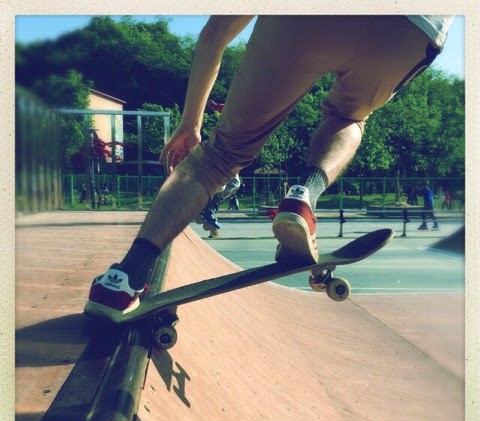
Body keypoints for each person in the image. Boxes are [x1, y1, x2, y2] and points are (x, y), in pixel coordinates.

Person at [85, 15, 453, 322]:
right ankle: (303, 197)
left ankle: (125, 279)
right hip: (412, 26)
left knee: (220, 156)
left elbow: (214, 34)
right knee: (348, 116)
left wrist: (189, 125)